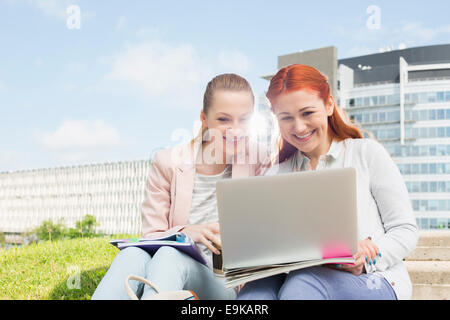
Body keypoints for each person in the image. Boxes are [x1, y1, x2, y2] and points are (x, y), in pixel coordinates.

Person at [237, 64, 418, 300]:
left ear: (329, 105)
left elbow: (404, 229)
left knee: (303, 285)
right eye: (286, 118)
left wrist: (367, 260)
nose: (299, 127)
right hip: (297, 277)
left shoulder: (365, 154)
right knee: (256, 295)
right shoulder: (274, 175)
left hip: (372, 279)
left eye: (307, 113)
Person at [92, 73, 270, 300]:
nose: (235, 130)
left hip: (223, 283)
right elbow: (151, 235)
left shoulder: (259, 161)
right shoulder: (167, 162)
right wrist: (187, 233)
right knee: (132, 256)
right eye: (224, 120)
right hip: (169, 271)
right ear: (204, 119)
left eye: (244, 119)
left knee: (169, 254)